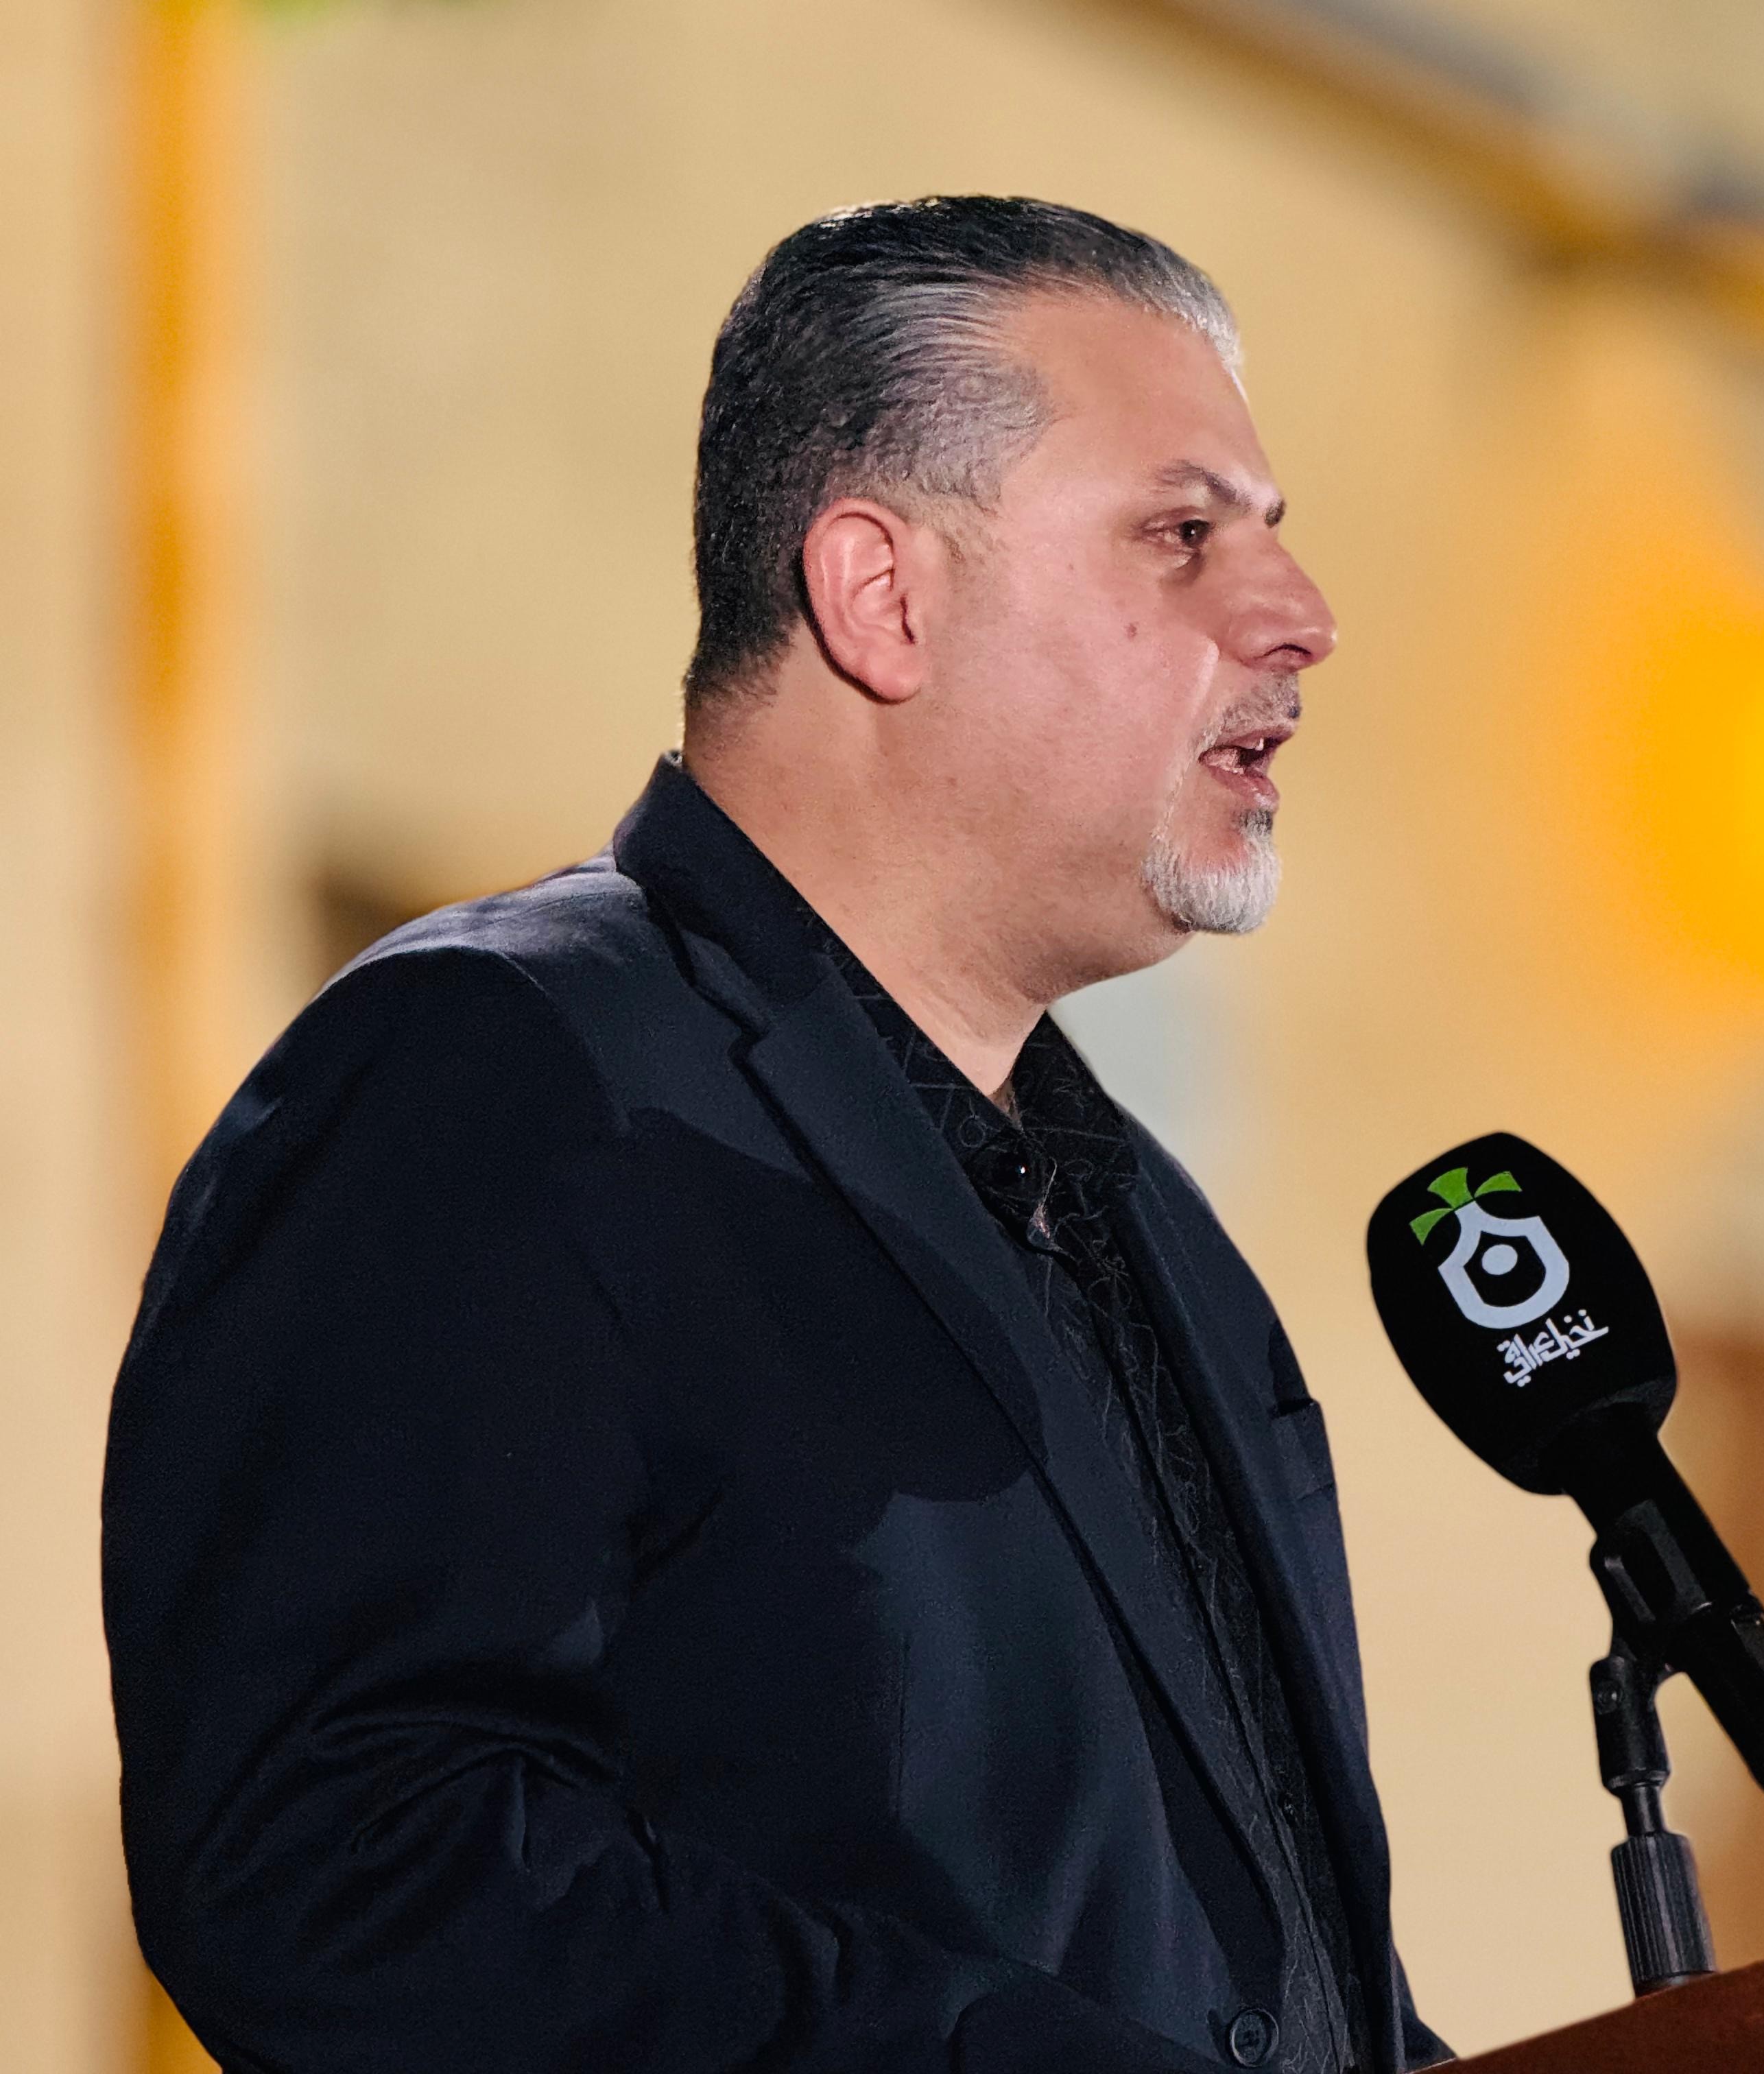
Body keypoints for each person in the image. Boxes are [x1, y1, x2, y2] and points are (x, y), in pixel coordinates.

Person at [104, 196, 1451, 2074]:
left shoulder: (1163, 1240)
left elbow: (1250, 1982)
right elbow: (344, 1868)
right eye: (1183, 533)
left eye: (1271, 534)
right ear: (884, 596)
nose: (1300, 616)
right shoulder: (494, 1075)